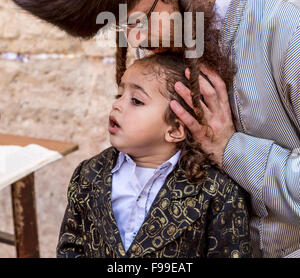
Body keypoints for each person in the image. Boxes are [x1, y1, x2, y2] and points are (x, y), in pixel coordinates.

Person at [6, 0, 299, 258]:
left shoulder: (290, 28)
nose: (136, 40)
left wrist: (231, 148)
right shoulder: (172, 21)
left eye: (139, 21)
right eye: (123, 27)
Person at [57, 51, 252, 258]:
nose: (117, 104)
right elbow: (70, 247)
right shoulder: (88, 175)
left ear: (175, 129)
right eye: (119, 95)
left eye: (136, 101)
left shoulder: (217, 192)